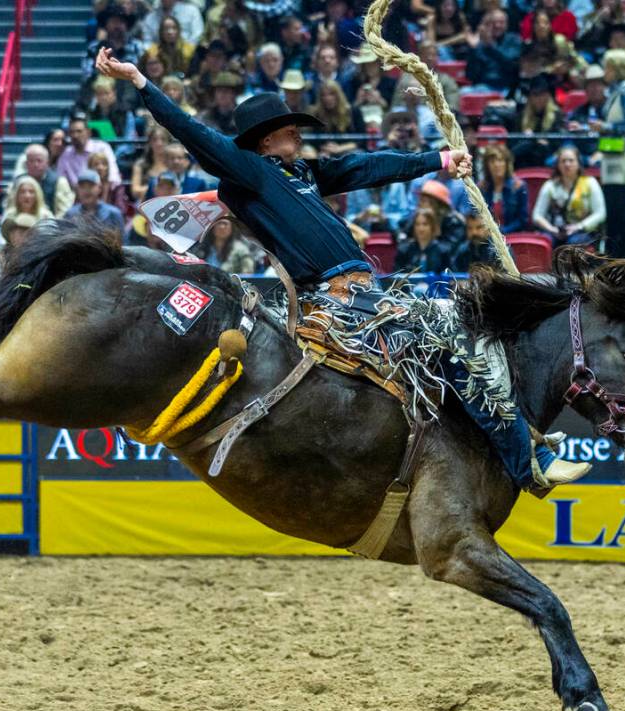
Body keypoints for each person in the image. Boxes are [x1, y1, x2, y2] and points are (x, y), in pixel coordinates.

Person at [96, 44, 591, 490]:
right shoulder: (251, 174)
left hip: (365, 292)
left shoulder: (303, 173)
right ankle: (527, 467)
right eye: (286, 128)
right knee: (456, 348)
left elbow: (368, 166)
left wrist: (437, 159)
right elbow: (194, 133)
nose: (296, 130)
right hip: (340, 299)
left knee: (463, 343)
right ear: (263, 142)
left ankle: (521, 442)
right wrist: (142, 82)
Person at [594, 48, 625, 261]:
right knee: (613, 212)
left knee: (620, 212)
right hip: (612, 155)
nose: (605, 71)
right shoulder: (615, 91)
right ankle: (615, 258)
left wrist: (604, 126)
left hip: (623, 158)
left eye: (608, 67)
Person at [532, 144, 606, 245]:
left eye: (571, 160)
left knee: (573, 243)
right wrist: (552, 229)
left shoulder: (590, 182)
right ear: (557, 164)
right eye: (563, 161)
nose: (567, 164)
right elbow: (537, 215)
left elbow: (600, 213)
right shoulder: (550, 185)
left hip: (582, 231)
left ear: (578, 163)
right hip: (555, 230)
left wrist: (579, 226)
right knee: (545, 241)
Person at [56, 113, 122, 191]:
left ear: (89, 132)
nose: (75, 135)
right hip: (76, 197)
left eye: (79, 131)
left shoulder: (102, 148)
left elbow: (113, 176)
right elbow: (60, 180)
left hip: (104, 193)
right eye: (72, 132)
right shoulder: (66, 154)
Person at [465, 9, 522, 93]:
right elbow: (470, 75)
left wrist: (491, 45)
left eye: (501, 22)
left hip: (507, 87)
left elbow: (511, 65)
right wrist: (474, 49)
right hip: (483, 87)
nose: (497, 25)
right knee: (464, 92)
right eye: (493, 22)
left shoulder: (514, 40)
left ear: (507, 24)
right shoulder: (479, 45)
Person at [479, 144, 530, 233]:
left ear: (507, 164)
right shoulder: (482, 187)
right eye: (492, 161)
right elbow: (477, 215)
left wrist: (501, 231)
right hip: (486, 236)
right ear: (487, 165)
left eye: (500, 160)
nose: (496, 165)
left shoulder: (519, 186)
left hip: (512, 235)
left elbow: (523, 220)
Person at [14, 143, 74, 217]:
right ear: (26, 164)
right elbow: (10, 208)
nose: (35, 164)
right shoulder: (18, 182)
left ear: (47, 163)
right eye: (31, 161)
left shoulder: (59, 182)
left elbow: (64, 212)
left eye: (39, 161)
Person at [394, 208, 452, 273]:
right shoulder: (403, 250)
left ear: (432, 226)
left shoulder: (443, 251)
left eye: (425, 224)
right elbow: (397, 277)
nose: (421, 228)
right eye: (417, 224)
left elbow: (450, 277)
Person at [130, 124, 172, 201]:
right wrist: (161, 189)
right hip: (147, 203)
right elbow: (135, 191)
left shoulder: (174, 163)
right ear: (149, 142)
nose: (159, 143)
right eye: (154, 140)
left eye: (163, 139)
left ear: (168, 142)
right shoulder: (140, 164)